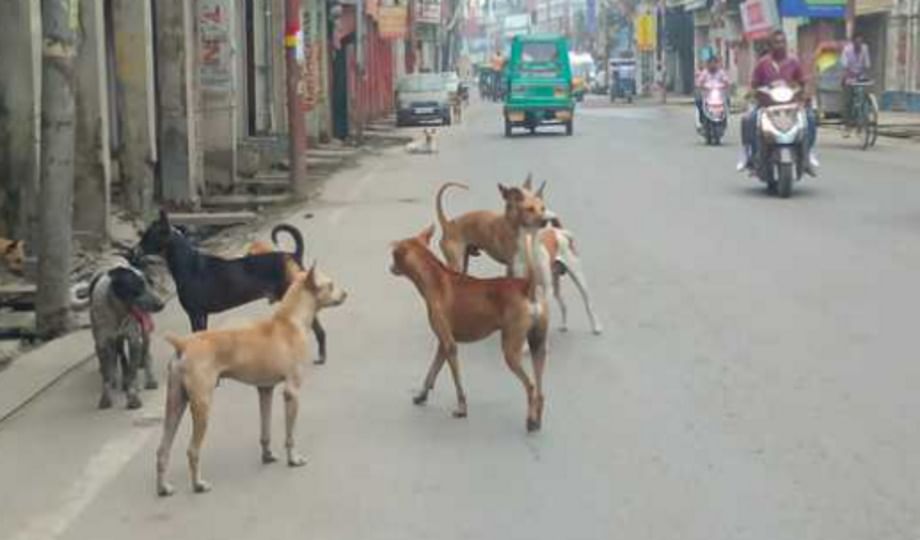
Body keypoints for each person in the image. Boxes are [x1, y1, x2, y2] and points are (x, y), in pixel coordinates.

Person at [738, 30, 819, 174]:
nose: (780, 45)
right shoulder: (763, 63)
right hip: (767, 105)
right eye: (776, 42)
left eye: (783, 42)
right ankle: (749, 155)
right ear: (770, 45)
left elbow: (803, 82)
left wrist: (805, 95)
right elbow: (754, 84)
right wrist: (753, 93)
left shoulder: (793, 62)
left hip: (791, 106)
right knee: (749, 119)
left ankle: (808, 154)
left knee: (810, 118)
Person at [841, 33, 871, 136]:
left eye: (860, 42)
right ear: (853, 43)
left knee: (863, 99)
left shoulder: (865, 49)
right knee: (848, 101)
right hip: (849, 77)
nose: (859, 45)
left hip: (861, 77)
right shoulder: (847, 50)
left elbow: (867, 64)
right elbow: (845, 66)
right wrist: (850, 75)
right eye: (857, 42)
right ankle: (847, 126)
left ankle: (862, 123)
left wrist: (864, 73)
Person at [695, 53, 730, 128]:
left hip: (719, 95)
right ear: (708, 64)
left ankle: (724, 119)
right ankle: (702, 119)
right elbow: (699, 82)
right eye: (710, 63)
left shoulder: (721, 72)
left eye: (714, 63)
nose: (712, 65)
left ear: (717, 64)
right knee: (698, 101)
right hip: (707, 95)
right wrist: (701, 85)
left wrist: (726, 84)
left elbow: (726, 81)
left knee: (727, 100)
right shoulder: (705, 73)